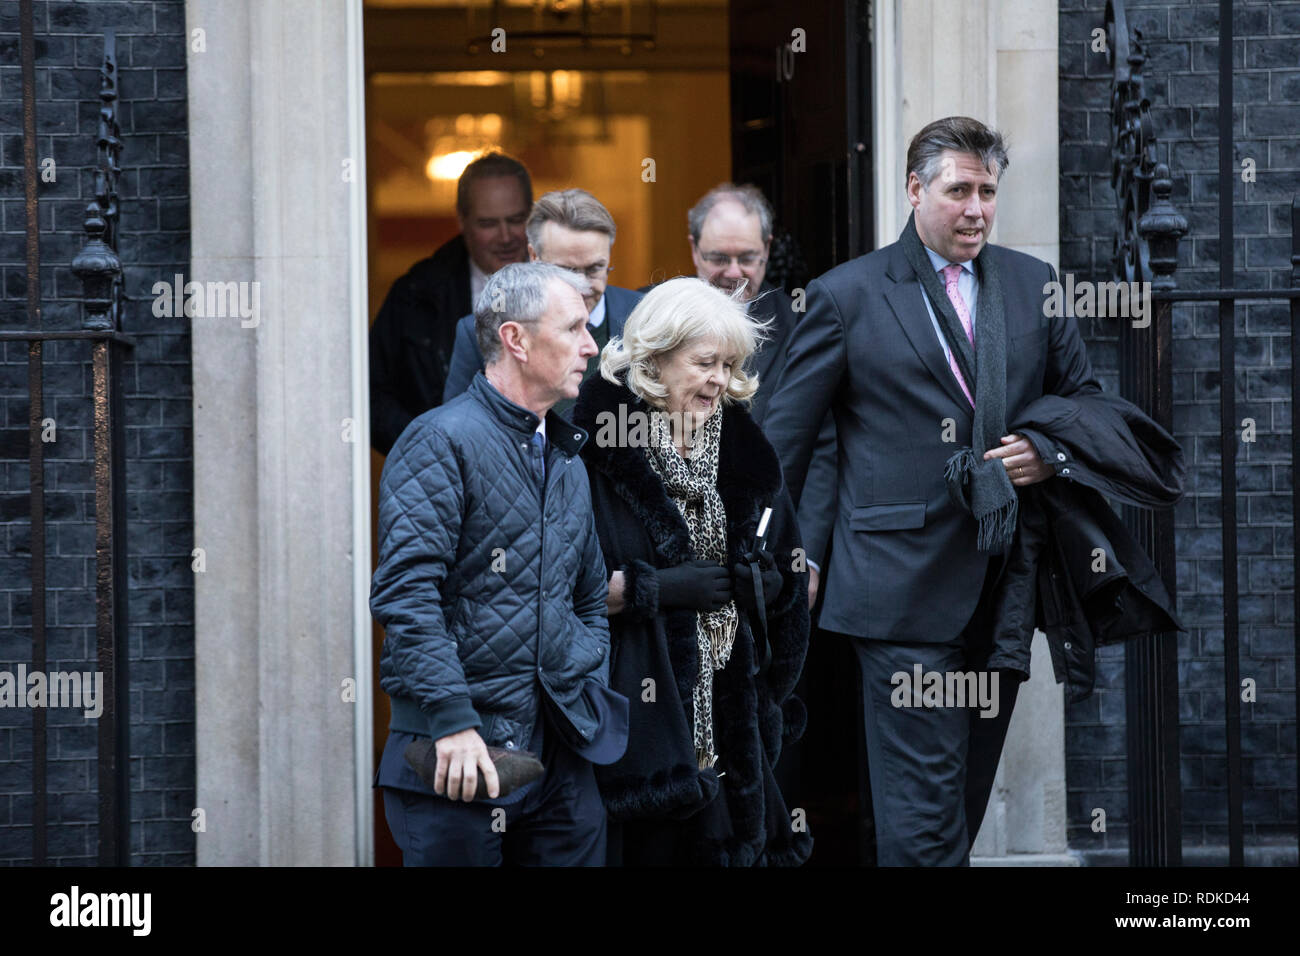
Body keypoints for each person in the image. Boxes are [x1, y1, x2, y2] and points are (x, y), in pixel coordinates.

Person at [762, 116, 1110, 865]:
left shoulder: (1033, 284)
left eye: (988, 191)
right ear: (915, 190)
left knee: (958, 813)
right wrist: (789, 559)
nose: (977, 208)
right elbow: (785, 443)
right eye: (959, 190)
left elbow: (1085, 401)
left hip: (1007, 584)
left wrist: (1045, 449)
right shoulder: (843, 295)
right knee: (920, 829)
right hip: (898, 593)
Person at [371, 261, 628, 866]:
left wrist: (582, 687)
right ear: (516, 339)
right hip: (456, 756)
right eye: (572, 329)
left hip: (562, 763)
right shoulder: (438, 441)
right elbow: (408, 596)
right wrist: (454, 721)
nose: (591, 345)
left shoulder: (565, 455)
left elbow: (589, 597)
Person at [571, 277, 812, 866]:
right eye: (706, 362)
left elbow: (788, 573)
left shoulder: (746, 454)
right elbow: (560, 594)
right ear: (654, 358)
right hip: (637, 733)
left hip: (735, 726)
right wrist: (654, 590)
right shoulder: (590, 453)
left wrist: (767, 585)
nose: (720, 381)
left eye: (730, 365)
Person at [688, 183, 836, 606]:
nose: (734, 272)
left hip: (771, 556)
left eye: (747, 258)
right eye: (719, 258)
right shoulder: (656, 321)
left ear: (767, 249)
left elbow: (823, 450)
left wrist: (807, 559)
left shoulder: (802, 327)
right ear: (694, 249)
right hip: (681, 562)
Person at [369, 151, 531, 455]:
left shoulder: (566, 286)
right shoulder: (416, 294)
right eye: (488, 224)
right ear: (462, 220)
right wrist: (430, 447)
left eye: (516, 220)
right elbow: (372, 396)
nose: (506, 236)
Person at [443, 188, 643, 418]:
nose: (582, 286)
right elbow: (459, 428)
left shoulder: (648, 317)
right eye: (566, 270)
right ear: (534, 257)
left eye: (595, 268)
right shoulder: (482, 330)